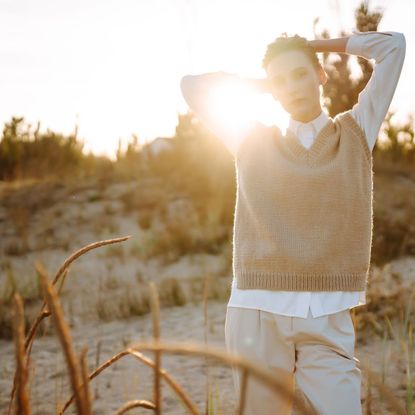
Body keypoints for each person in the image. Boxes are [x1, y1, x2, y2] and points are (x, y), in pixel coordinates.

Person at [180, 30, 406, 415]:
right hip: (257, 314)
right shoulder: (249, 139)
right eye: (280, 81)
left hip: (328, 318)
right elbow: (192, 86)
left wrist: (317, 45)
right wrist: (261, 84)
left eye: (300, 75)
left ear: (320, 74)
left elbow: (393, 47)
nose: (291, 88)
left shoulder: (356, 132)